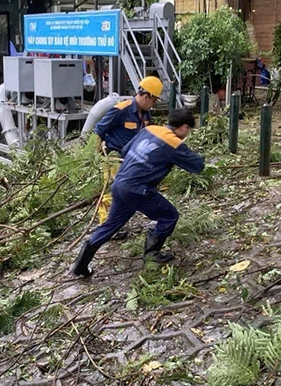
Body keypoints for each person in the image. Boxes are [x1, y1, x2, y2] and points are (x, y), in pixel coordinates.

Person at [71, 108, 205, 278]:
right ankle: (151, 255)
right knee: (169, 216)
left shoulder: (149, 130)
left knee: (110, 225)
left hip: (119, 183)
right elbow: (198, 166)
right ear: (184, 127)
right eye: (188, 130)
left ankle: (81, 264)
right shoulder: (173, 143)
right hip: (137, 189)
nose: (187, 134)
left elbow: (125, 150)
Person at [93, 76, 163, 235]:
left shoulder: (145, 115)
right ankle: (107, 228)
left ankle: (117, 224)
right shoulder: (120, 110)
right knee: (111, 193)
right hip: (113, 157)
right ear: (146, 96)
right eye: (153, 101)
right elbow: (98, 131)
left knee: (127, 193)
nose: (153, 105)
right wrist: (98, 155)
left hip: (131, 160)